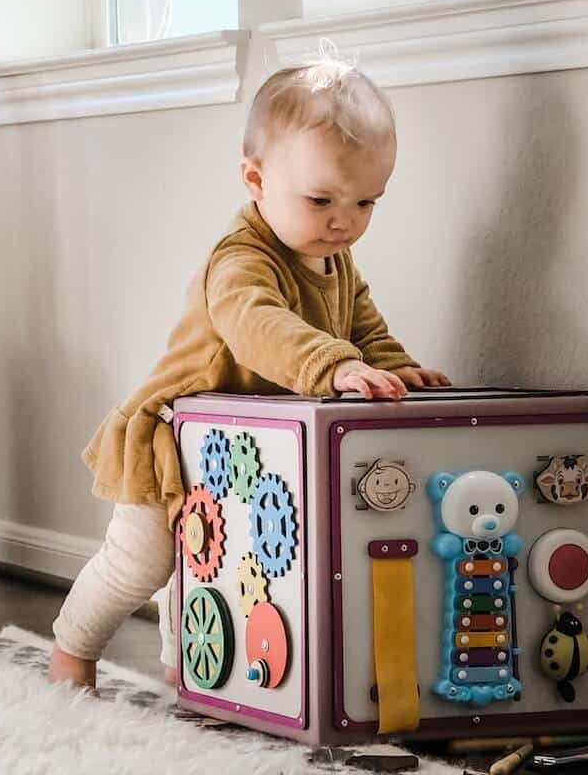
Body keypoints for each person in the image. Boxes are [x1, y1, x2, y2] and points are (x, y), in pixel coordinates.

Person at [47, 53, 451, 692]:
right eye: (320, 199)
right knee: (143, 562)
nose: (344, 220)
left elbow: (362, 325)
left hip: (244, 454)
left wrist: (393, 364)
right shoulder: (240, 261)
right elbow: (258, 325)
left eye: (366, 201)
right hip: (173, 441)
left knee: (219, 565)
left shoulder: (334, 259)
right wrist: (334, 364)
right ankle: (72, 651)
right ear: (255, 180)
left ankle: (195, 678)